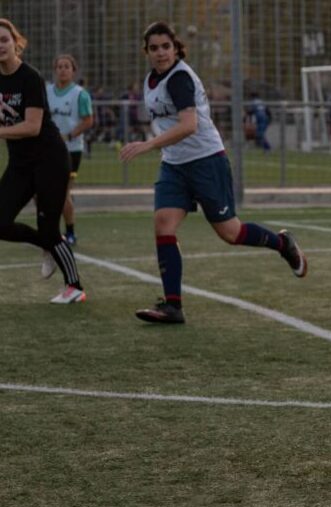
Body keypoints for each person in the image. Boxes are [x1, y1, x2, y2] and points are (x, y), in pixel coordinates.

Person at [119, 21, 308, 325]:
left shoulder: (179, 78)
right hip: (174, 165)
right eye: (153, 48)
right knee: (163, 224)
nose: (160, 53)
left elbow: (189, 125)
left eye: (165, 46)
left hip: (206, 161)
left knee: (230, 233)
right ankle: (173, 306)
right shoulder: (151, 80)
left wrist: (148, 144)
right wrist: (158, 147)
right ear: (147, 51)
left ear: (175, 47)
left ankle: (282, 243)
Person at [0, 18, 85, 304]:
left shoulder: (30, 77)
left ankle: (75, 287)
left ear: (15, 43)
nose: (0, 46)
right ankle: (46, 244)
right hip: (20, 163)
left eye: (4, 40)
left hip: (49, 159)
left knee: (50, 228)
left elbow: (32, 127)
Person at [47, 54, 94, 246]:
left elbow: (88, 120)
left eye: (67, 66)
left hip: (71, 150)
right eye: (59, 66)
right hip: (48, 149)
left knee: (62, 192)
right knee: (40, 191)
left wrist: (69, 135)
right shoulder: (47, 91)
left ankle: (70, 232)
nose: (63, 70)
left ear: (73, 71)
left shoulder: (79, 94)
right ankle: (49, 231)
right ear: (55, 70)